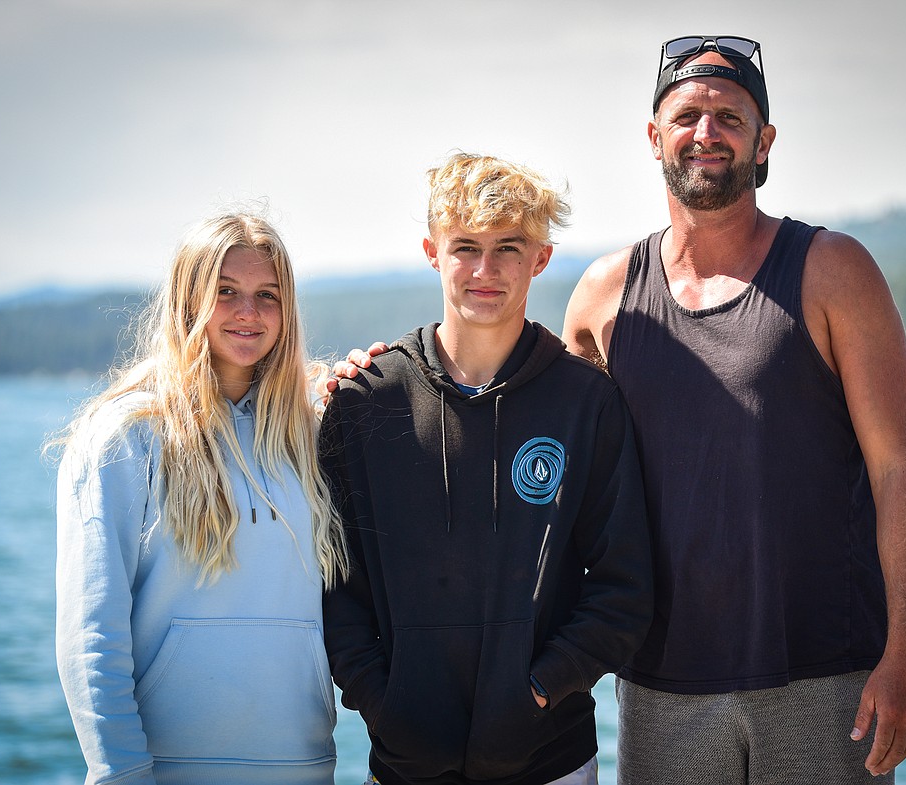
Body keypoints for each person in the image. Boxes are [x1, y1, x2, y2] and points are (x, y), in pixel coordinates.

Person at [558, 36, 906, 783]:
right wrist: (371, 378)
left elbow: (901, 467)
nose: (707, 133)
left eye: (730, 118)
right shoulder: (603, 297)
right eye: (688, 114)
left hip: (825, 679)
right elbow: (543, 453)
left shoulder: (834, 270)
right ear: (654, 137)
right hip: (661, 681)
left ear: (763, 142)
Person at [319, 152, 654, 785]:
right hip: (403, 763)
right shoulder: (368, 401)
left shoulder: (587, 404)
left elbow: (622, 591)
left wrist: (537, 690)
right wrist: (384, 703)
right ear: (431, 251)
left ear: (542, 258)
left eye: (508, 247)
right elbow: (337, 589)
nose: (484, 270)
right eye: (465, 246)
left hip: (550, 758)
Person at [53, 211, 349, 785]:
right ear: (188, 300)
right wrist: (121, 773)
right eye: (226, 291)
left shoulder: (314, 433)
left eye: (268, 294)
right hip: (163, 771)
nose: (248, 311)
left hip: (302, 767)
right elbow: (91, 632)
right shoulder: (124, 436)